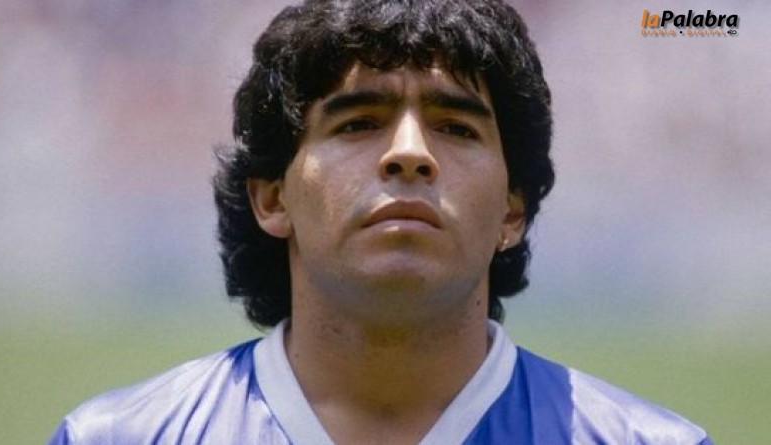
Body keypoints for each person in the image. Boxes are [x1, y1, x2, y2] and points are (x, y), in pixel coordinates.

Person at [48, 0, 713, 443]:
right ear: (273, 198)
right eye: (359, 122)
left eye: (456, 127)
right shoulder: (118, 438)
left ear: (512, 209)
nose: (410, 152)